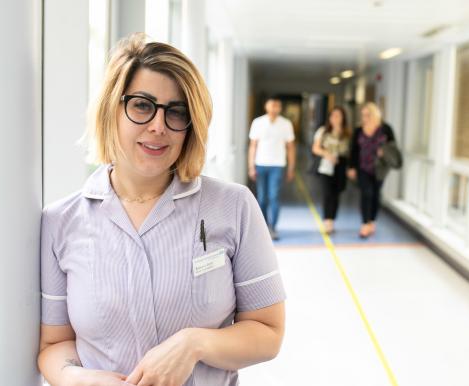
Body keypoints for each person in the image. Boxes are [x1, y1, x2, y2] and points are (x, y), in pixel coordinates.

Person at [38, 33, 286, 386]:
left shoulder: (233, 206)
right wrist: (76, 379)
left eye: (176, 112)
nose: (158, 125)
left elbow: (268, 331)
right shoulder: (60, 222)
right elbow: (55, 343)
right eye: (142, 105)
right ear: (112, 109)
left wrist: (194, 343)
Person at [247, 96, 296, 240]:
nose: (274, 108)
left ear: (280, 108)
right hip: (260, 164)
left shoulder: (286, 124)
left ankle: (273, 228)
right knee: (262, 198)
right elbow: (253, 146)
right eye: (272, 105)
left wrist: (291, 168)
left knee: (273, 196)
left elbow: (291, 147)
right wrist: (251, 166)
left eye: (277, 106)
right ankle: (263, 227)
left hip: (277, 165)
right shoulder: (258, 122)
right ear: (266, 107)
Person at [347, 102, 398, 238]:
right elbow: (354, 150)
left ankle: (372, 221)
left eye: (368, 115)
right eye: (363, 115)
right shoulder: (359, 130)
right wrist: (351, 167)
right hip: (363, 167)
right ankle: (365, 224)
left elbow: (393, 148)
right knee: (366, 193)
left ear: (375, 114)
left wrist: (384, 153)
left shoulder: (386, 129)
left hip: (380, 168)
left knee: (376, 195)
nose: (365, 117)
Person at [311, 106, 350, 234]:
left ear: (343, 118)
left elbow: (351, 151)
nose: (335, 118)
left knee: (336, 194)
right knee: (327, 194)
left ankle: (332, 219)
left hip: (341, 166)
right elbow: (315, 148)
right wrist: (327, 154)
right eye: (333, 115)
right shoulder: (323, 131)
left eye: (338, 115)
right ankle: (327, 222)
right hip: (326, 165)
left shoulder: (347, 133)